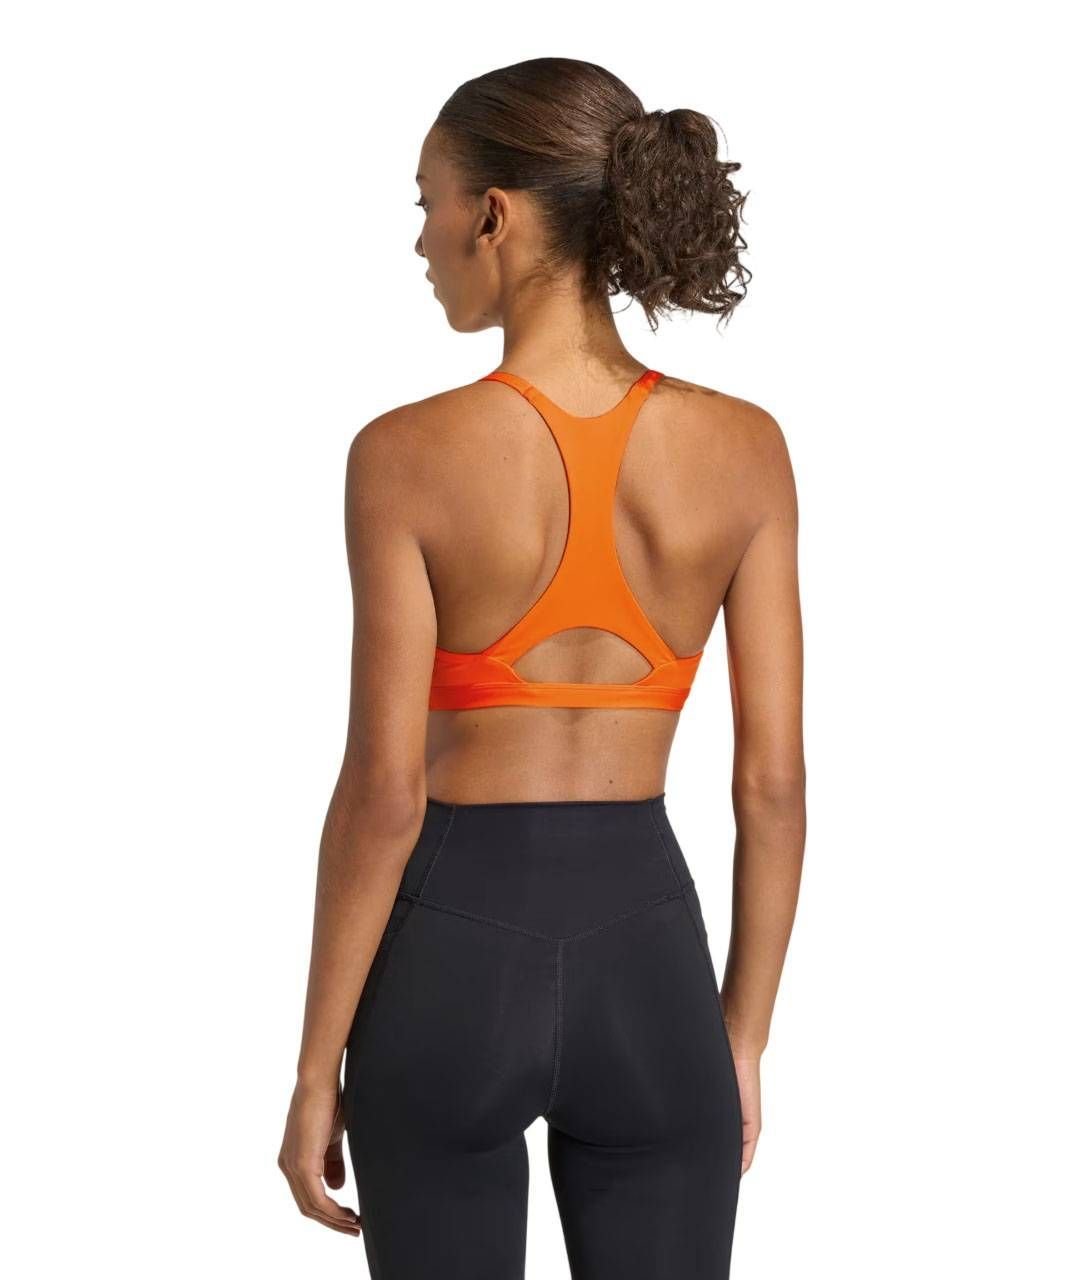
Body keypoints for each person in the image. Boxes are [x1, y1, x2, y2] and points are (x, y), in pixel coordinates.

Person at [278, 56, 806, 1279]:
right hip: (649, 957)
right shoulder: (745, 449)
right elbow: (771, 784)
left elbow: (384, 795)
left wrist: (313, 1067)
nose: (419, 240)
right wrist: (737, 1034)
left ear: (492, 216)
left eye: (425, 203)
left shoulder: (402, 456)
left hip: (449, 958)